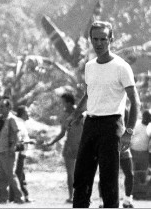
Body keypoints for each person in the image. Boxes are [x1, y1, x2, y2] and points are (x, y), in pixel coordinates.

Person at [66, 21, 141, 208]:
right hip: (90, 125)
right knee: (81, 178)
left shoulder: (121, 67)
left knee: (109, 181)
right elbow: (89, 93)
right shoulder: (90, 66)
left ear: (111, 40)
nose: (98, 43)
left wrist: (128, 132)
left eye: (103, 39)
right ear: (91, 40)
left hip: (112, 125)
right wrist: (76, 113)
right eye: (95, 39)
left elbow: (135, 101)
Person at [45, 91, 84, 203]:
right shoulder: (64, 115)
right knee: (70, 173)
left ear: (69, 102)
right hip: (69, 146)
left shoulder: (80, 113)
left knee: (81, 173)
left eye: (63, 102)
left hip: (81, 146)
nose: (62, 105)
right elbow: (62, 132)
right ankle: (71, 196)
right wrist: (52, 142)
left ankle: (82, 195)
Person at [0, 99, 24, 204]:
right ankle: (3, 199)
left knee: (11, 175)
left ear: (8, 107)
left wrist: (13, 147)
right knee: (2, 177)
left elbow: (17, 133)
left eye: (3, 107)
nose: (1, 109)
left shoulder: (12, 119)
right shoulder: (3, 120)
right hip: (1, 151)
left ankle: (19, 197)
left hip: (8, 151)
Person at [13, 105, 32, 203]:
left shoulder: (21, 123)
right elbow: (19, 139)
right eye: (27, 112)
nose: (28, 114)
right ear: (23, 113)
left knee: (21, 175)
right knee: (18, 175)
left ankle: (25, 195)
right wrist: (29, 142)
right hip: (19, 153)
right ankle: (18, 196)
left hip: (22, 153)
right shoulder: (19, 123)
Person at [130, 109, 151, 193]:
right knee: (133, 174)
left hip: (144, 154)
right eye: (147, 117)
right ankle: (132, 193)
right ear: (143, 117)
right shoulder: (136, 124)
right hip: (133, 153)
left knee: (143, 175)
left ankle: (141, 193)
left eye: (149, 117)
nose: (148, 119)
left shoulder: (150, 127)